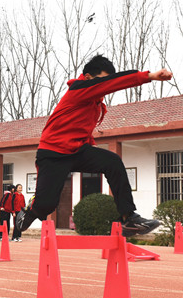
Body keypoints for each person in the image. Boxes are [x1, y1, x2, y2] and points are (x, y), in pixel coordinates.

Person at [15, 55, 171, 236]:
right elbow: (113, 83)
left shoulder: (95, 104)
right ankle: (31, 210)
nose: (104, 88)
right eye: (101, 82)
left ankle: (129, 218)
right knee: (46, 205)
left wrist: (91, 148)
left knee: (112, 161)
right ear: (88, 77)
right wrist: (149, 76)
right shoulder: (79, 89)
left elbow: (81, 128)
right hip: (53, 152)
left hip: (76, 150)